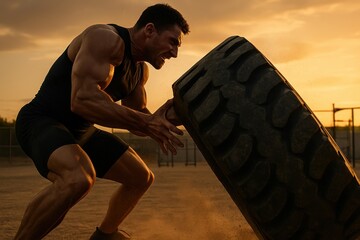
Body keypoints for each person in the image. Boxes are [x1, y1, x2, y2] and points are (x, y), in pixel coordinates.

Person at [14, 3, 189, 240]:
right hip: (42, 122)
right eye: (172, 42)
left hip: (81, 132)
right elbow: (82, 100)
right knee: (78, 178)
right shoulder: (104, 39)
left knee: (141, 177)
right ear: (149, 30)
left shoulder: (138, 72)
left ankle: (105, 236)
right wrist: (148, 122)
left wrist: (169, 117)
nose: (175, 53)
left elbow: (137, 120)